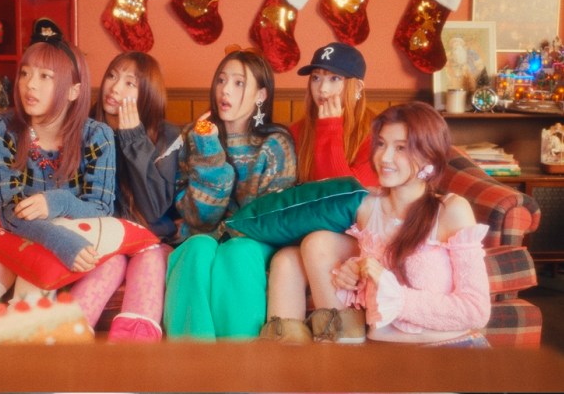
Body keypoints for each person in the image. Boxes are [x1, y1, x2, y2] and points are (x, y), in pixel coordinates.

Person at [0, 20, 116, 335]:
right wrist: (58, 240)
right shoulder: (0, 127)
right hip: (5, 229)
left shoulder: (97, 135)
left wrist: (57, 202)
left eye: (45, 76)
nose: (30, 85)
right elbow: (8, 209)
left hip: (66, 234)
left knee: (39, 266)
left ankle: (21, 358)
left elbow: (101, 206)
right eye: (26, 73)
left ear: (74, 90)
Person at [263, 102, 491, 347]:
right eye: (381, 144)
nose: (385, 157)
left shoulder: (450, 211)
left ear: (428, 155)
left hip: (451, 350)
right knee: (289, 256)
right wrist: (354, 274)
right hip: (382, 355)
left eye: (401, 147)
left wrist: (394, 294)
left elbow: (476, 310)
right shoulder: (367, 205)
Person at [163, 45, 297, 341]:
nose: (225, 90)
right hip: (203, 235)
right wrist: (209, 152)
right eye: (221, 80)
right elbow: (197, 219)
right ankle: (188, 360)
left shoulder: (275, 144)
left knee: (237, 252)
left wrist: (224, 236)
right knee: (196, 248)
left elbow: (269, 219)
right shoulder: (194, 136)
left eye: (239, 83)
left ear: (260, 95)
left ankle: (240, 361)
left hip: (253, 241)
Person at [70, 51, 181, 342]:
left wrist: (134, 140)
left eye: (130, 83)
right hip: (100, 240)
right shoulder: (81, 131)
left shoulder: (168, 137)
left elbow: (154, 209)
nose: (115, 88)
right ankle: (60, 347)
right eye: (112, 76)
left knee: (150, 257)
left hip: (150, 241)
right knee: (110, 263)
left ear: (147, 94)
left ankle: (134, 355)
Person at [291, 42, 378, 187]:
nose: (322, 89)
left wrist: (330, 127)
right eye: (316, 78)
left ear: (357, 87)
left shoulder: (376, 132)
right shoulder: (297, 130)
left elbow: (343, 193)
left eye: (334, 78)